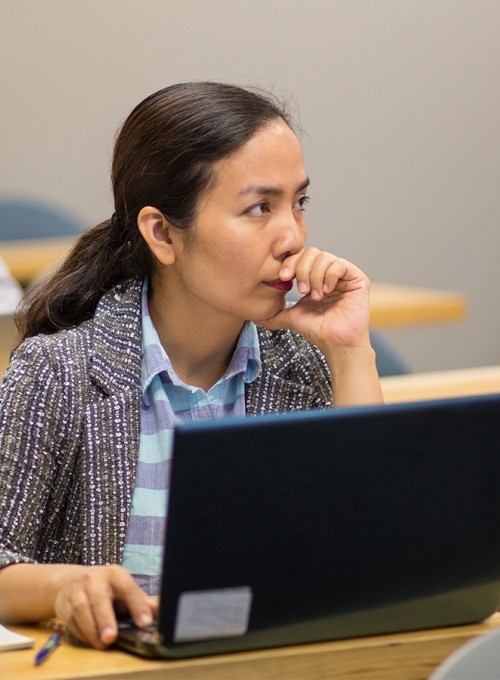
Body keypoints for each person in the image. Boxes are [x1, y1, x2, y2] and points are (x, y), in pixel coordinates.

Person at [0, 82, 383, 649]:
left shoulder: (300, 363)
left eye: (298, 203)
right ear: (162, 233)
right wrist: (65, 587)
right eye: (260, 208)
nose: (293, 237)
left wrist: (351, 350)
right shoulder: (62, 372)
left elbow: (372, 549)